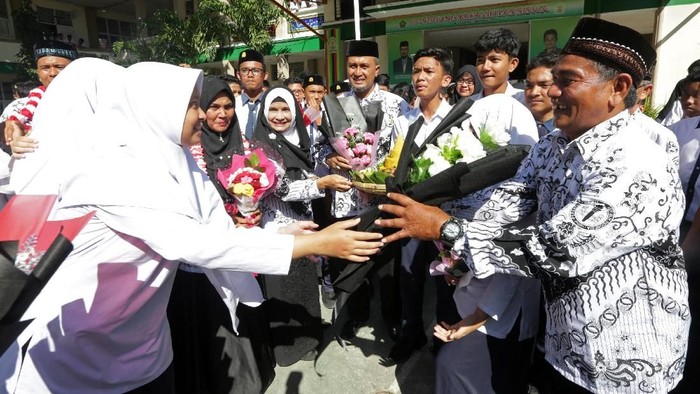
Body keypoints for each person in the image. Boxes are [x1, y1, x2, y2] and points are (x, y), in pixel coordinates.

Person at [0, 58, 383, 392]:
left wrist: (276, 233)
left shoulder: (176, 162)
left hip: (145, 350)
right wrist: (311, 245)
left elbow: (212, 231)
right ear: (155, 110)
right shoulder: (113, 174)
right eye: (194, 106)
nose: (204, 115)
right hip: (77, 364)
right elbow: (191, 243)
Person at [376, 18, 689, 393]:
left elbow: (555, 251)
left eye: (567, 80)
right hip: (564, 345)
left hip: (624, 361)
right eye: (552, 78)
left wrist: (447, 229)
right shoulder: (553, 144)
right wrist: (444, 219)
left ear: (618, 88)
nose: (552, 91)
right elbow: (514, 198)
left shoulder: (638, 160)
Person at [316, 39, 410, 340]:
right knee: (348, 261)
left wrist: (386, 174)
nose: (358, 72)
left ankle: (392, 320)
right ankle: (354, 316)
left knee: (386, 267)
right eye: (352, 66)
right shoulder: (335, 104)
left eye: (364, 66)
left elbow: (404, 149)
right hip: (345, 197)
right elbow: (318, 146)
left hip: (381, 199)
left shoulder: (396, 105)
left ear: (376, 69)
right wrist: (329, 156)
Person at [253, 87, 351, 366]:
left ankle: (309, 336)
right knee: (284, 288)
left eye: (286, 109)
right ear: (264, 113)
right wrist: (321, 184)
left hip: (304, 222)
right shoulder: (260, 146)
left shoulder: (302, 137)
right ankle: (288, 349)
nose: (280, 116)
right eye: (273, 110)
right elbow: (282, 190)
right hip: (278, 227)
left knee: (306, 281)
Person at [388, 47, 455, 363]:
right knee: (409, 276)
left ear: (446, 79)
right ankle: (410, 331)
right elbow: (392, 164)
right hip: (410, 212)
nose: (420, 77)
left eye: (428, 71)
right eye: (416, 71)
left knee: (447, 279)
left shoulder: (460, 118)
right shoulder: (404, 121)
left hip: (443, 215)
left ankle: (445, 336)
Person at [5, 39, 78, 157]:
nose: (52, 73)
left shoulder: (93, 98)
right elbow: (10, 138)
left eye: (60, 67)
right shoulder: (22, 105)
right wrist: (17, 141)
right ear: (38, 73)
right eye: (45, 68)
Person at [471, 28, 525, 104]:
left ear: (512, 64)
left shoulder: (526, 102)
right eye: (480, 60)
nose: (485, 67)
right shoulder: (467, 106)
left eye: (494, 60)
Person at [236, 49, 268, 139]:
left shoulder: (272, 104)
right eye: (244, 70)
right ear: (238, 75)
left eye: (256, 70)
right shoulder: (232, 105)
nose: (250, 75)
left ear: (265, 75)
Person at [524, 53, 557, 138]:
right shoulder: (515, 126)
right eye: (529, 85)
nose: (533, 93)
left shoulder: (570, 132)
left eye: (544, 85)